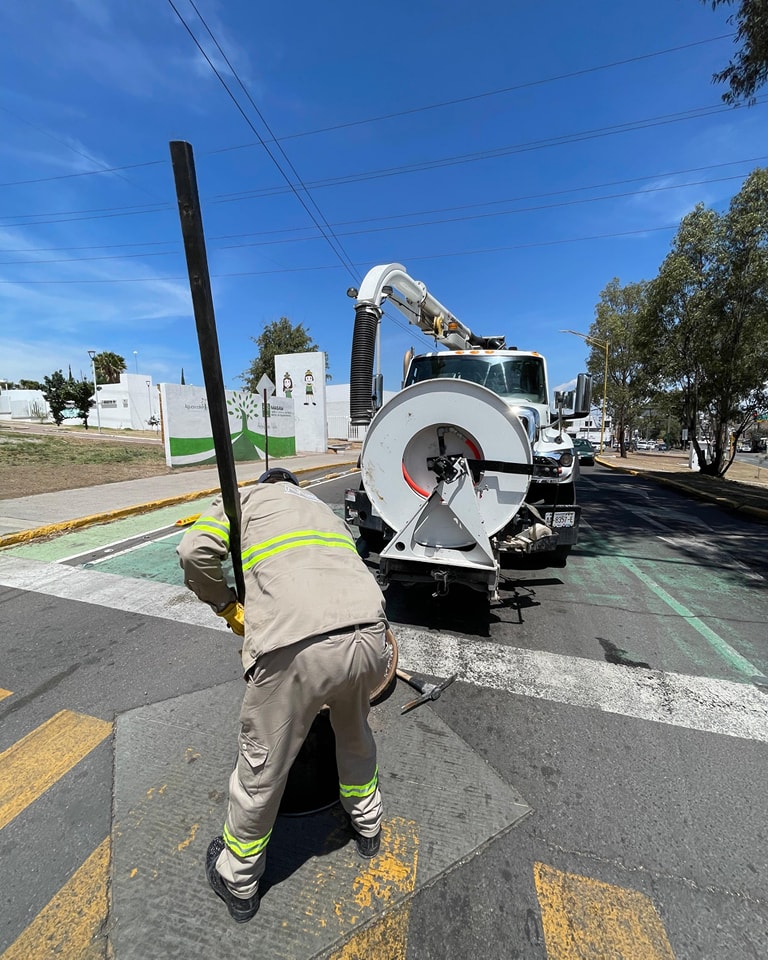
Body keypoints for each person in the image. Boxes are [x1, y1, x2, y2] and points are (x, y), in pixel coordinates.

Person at [177, 466, 390, 923]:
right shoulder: (321, 508)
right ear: (295, 486)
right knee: (354, 733)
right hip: (371, 634)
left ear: (266, 484)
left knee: (262, 767)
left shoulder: (245, 502)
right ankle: (368, 827)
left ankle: (238, 880)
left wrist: (227, 605)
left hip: (297, 646)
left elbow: (194, 552)